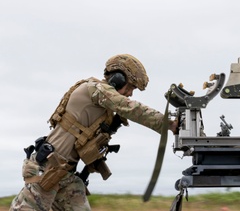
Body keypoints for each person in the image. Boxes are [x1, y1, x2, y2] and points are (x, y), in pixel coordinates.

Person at [10, 54, 178, 211]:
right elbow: (130, 108)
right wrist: (169, 124)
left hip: (66, 175)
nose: (130, 93)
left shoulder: (103, 104)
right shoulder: (95, 89)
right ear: (117, 79)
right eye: (130, 87)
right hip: (47, 170)